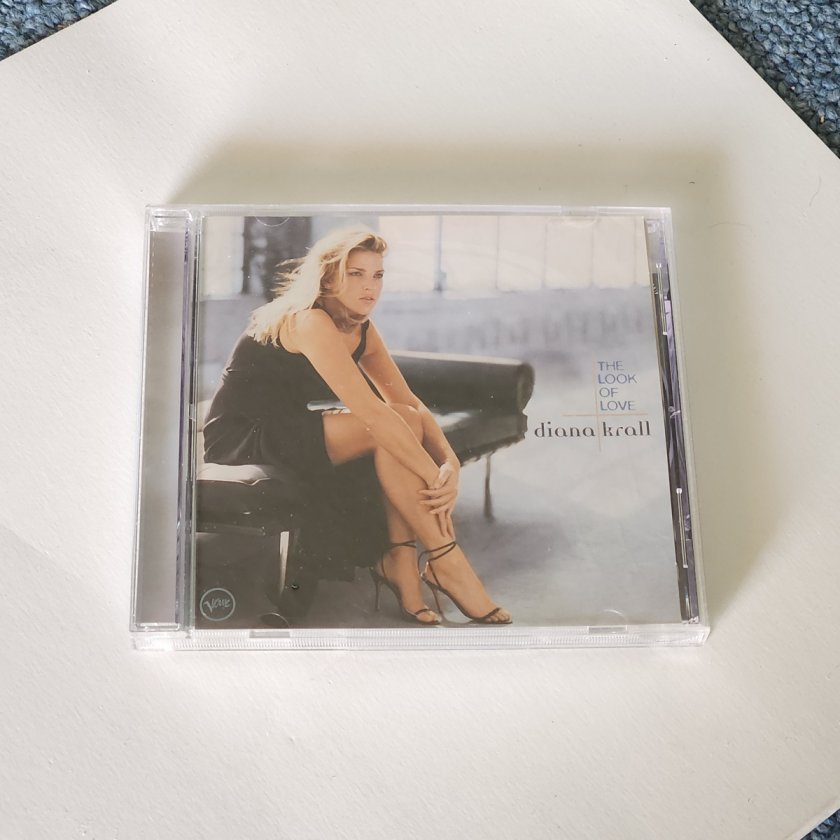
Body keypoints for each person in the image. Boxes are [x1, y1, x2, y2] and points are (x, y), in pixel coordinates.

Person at [202, 225, 511, 625]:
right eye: (356, 274)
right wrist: (434, 477)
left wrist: (448, 463)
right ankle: (446, 559)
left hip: (291, 425)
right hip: (243, 435)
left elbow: (406, 402)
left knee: (405, 420)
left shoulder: (359, 326)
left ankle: (402, 564)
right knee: (387, 429)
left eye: (377, 275)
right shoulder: (308, 321)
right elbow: (371, 412)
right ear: (329, 276)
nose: (370, 286)